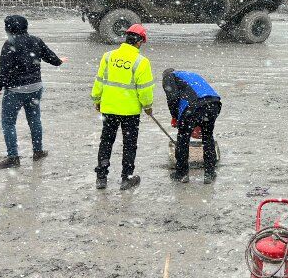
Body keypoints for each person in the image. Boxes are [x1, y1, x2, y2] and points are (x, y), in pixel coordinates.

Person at [0, 14, 64, 169]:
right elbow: (51, 57)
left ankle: (13, 157)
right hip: (35, 87)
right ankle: (38, 151)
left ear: (8, 29)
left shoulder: (9, 44)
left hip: (15, 90)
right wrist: (59, 61)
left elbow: (3, 68)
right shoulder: (36, 40)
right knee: (34, 119)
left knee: (8, 123)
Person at [91, 23, 154, 190]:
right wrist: (148, 106)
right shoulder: (141, 62)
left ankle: (101, 178)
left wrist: (97, 99)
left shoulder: (108, 56)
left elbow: (100, 80)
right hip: (130, 112)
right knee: (129, 144)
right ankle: (126, 179)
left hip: (109, 108)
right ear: (139, 42)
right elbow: (145, 89)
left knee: (106, 141)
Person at [163, 69, 222, 184]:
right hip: (214, 103)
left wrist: (175, 117)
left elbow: (173, 97)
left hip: (194, 106)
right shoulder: (189, 75)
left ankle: (182, 174)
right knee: (207, 136)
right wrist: (197, 123)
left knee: (183, 138)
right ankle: (209, 174)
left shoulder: (169, 77)